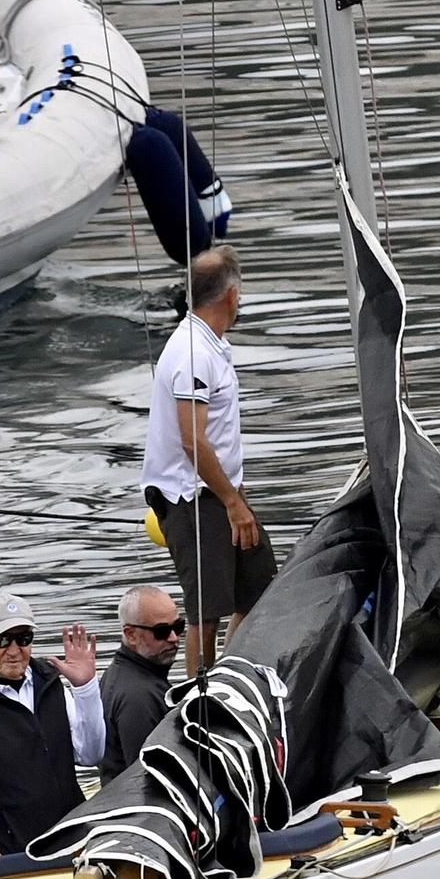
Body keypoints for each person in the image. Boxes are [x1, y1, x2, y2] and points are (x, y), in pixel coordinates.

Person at [142, 244, 277, 674]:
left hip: (221, 491)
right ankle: (202, 695)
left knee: (258, 589)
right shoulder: (193, 353)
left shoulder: (214, 343)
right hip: (191, 497)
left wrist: (235, 490)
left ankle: (232, 673)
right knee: (206, 611)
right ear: (231, 296)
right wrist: (233, 503)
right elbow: (193, 442)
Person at [0, 593, 105, 873]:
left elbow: (90, 754)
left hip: (71, 843)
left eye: (23, 639)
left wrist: (85, 690)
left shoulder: (49, 681)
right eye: (2, 640)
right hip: (9, 854)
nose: (14, 650)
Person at [97, 584, 182, 781]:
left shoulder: (121, 673)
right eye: (161, 631)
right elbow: (147, 776)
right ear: (131, 635)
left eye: (178, 626)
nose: (174, 638)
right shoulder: (139, 698)